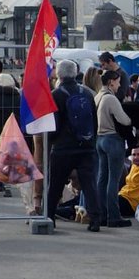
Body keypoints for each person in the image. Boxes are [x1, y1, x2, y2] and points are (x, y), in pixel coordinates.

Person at [46, 59, 102, 231]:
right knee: (89, 184)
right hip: (86, 145)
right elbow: (94, 120)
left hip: (63, 147)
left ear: (59, 74)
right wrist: (90, 141)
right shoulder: (87, 93)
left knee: (56, 184)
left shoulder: (56, 95)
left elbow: (54, 124)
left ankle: (50, 217)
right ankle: (95, 219)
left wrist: (52, 142)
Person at [95, 69, 132, 227]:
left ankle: (102, 214)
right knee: (114, 180)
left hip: (100, 139)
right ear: (111, 82)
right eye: (118, 81)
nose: (119, 84)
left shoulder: (98, 96)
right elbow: (124, 120)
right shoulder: (111, 99)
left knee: (102, 179)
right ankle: (114, 217)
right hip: (112, 139)